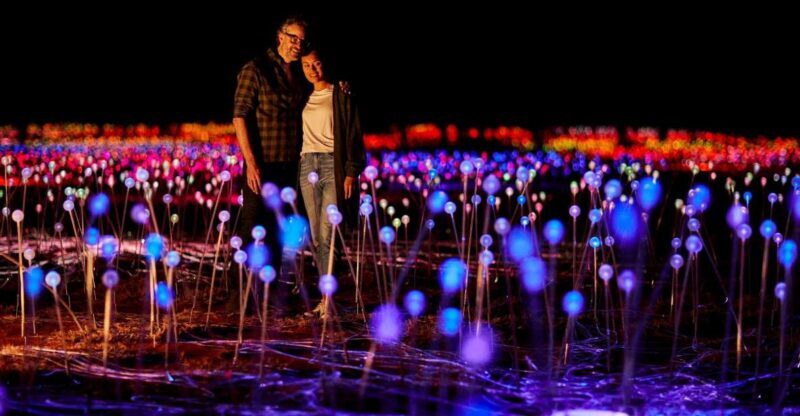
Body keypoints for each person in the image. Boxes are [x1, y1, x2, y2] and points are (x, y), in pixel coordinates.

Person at [233, 16, 309, 283]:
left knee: (278, 229)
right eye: (293, 38)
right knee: (252, 227)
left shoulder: (299, 73)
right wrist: (251, 163)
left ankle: (269, 291)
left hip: (289, 165)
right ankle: (239, 295)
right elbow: (239, 115)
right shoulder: (256, 69)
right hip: (262, 165)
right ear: (280, 36)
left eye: (301, 39)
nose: (297, 44)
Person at [297, 47, 365, 278]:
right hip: (307, 165)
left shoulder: (342, 93)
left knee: (329, 234)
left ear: (325, 63)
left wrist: (351, 172)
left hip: (331, 164)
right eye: (306, 65)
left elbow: (354, 134)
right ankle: (325, 293)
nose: (312, 70)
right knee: (316, 236)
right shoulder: (302, 97)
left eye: (316, 63)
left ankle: (328, 299)